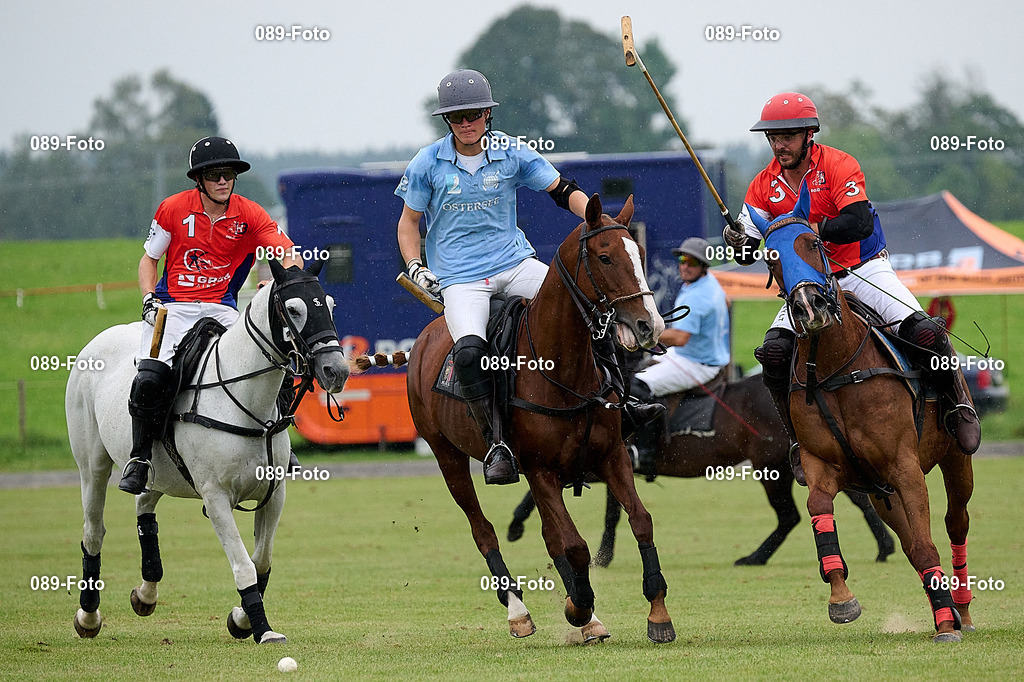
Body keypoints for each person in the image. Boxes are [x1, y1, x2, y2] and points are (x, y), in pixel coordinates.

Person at [725, 92, 980, 483]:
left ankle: (957, 404)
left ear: (809, 135)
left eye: (788, 136)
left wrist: (811, 229)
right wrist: (736, 240)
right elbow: (746, 250)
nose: (779, 145)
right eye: (773, 137)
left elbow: (859, 222)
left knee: (927, 333)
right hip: (811, 283)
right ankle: (796, 438)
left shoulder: (838, 165)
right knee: (774, 354)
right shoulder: (762, 186)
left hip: (862, 270)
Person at [395, 68, 604, 485]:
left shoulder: (511, 152)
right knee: (470, 354)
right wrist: (416, 266)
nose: (466, 123)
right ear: (447, 121)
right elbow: (408, 223)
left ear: (487, 114)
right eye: (457, 117)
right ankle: (497, 445)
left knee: (589, 310)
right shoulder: (427, 163)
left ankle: (616, 407)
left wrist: (600, 220)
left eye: (473, 114)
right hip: (461, 279)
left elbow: (563, 190)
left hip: (515, 263)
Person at [119, 136, 303, 494]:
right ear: (199, 180)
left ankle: (282, 443)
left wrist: (282, 281)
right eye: (214, 175)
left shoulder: (250, 213)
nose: (223, 181)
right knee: (150, 377)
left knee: (275, 362)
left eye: (229, 174)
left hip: (222, 308)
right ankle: (140, 458)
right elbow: (149, 260)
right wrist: (148, 298)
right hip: (173, 308)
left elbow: (288, 253)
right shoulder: (172, 208)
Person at [630, 237, 731, 480]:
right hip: (705, 355)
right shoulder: (708, 282)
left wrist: (641, 335)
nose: (684, 266)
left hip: (696, 363)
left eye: (692, 262)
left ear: (703, 266)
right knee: (640, 368)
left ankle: (645, 453)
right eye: (682, 260)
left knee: (637, 385)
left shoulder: (698, 296)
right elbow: (726, 301)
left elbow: (680, 337)